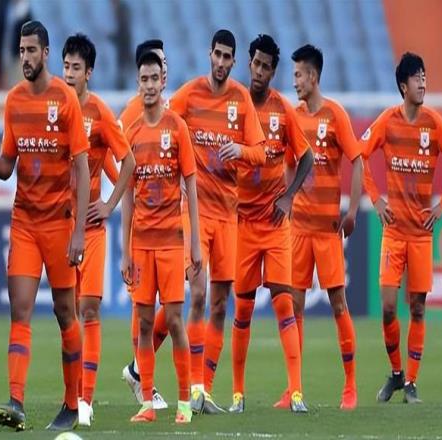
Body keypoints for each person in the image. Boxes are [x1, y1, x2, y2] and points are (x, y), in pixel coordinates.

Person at [0, 20, 90, 431]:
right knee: (20, 310)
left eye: (30, 50)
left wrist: (79, 231)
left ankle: (72, 403)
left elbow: (81, 168)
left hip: (59, 224)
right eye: (21, 50)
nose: (24, 57)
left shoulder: (65, 99)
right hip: (24, 221)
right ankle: (16, 401)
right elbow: (7, 167)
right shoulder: (14, 100)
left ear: (45, 52)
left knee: (65, 312)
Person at [170, 29, 266, 414]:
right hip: (195, 212)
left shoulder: (241, 100)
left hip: (229, 215)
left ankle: (204, 391)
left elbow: (261, 153)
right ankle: (192, 385)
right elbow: (163, 124)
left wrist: (240, 150)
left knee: (221, 303)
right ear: (209, 54)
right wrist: (174, 171)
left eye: (228, 57)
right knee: (197, 294)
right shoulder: (189, 95)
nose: (222, 62)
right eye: (218, 55)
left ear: (234, 61)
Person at [361, 52, 442, 404]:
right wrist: (375, 199)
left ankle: (412, 383)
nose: (423, 83)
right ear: (404, 86)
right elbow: (360, 154)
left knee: (417, 307)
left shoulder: (434, 123)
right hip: (393, 232)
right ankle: (396, 374)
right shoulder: (387, 121)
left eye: (425, 76)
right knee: (388, 306)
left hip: (420, 234)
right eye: (418, 78)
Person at [275, 44, 362, 411]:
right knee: (293, 306)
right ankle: (293, 389)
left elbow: (357, 161)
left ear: (313, 77)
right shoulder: (292, 117)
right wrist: (287, 199)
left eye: (298, 74)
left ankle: (350, 387)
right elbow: (288, 163)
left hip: (327, 230)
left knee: (338, 303)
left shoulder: (335, 114)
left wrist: (352, 211)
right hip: (298, 230)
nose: (294, 81)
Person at [229, 34, 313, 414]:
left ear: (273, 71)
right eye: (256, 63)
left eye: (267, 66)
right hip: (243, 224)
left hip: (276, 224)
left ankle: (296, 391)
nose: (260, 71)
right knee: (243, 310)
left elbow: (306, 158)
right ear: (249, 63)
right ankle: (237, 394)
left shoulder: (283, 110)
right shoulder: (234, 105)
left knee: (284, 304)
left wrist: (289, 196)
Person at [122, 50, 201, 424]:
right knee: (142, 323)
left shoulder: (177, 127)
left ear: (163, 81)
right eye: (144, 79)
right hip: (141, 244)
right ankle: (148, 404)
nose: (150, 85)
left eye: (155, 78)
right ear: (138, 83)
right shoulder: (132, 133)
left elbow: (191, 186)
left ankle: (184, 402)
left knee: (173, 321)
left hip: (171, 241)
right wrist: (125, 251)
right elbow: (127, 196)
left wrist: (195, 243)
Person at [62, 33, 135, 426]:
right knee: (68, 313)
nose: (69, 73)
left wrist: (108, 204)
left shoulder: (101, 113)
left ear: (89, 72)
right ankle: (70, 396)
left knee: (89, 309)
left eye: (76, 67)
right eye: (66, 66)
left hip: (90, 228)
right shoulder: (54, 109)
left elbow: (128, 163)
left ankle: (85, 400)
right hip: (59, 226)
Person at [119, 39, 169, 411]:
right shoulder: (130, 118)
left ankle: (139, 371)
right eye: (155, 66)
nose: (162, 71)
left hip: (172, 223)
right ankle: (142, 380)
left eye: (163, 66)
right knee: (144, 308)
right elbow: (124, 176)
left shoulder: (169, 109)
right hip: (143, 229)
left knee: (178, 305)